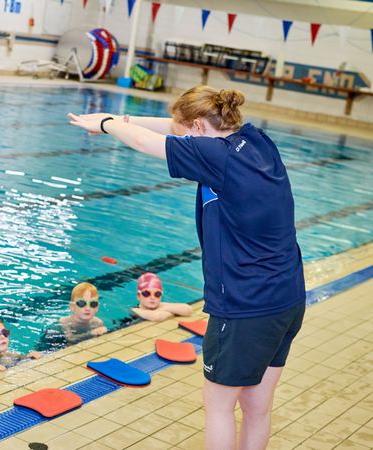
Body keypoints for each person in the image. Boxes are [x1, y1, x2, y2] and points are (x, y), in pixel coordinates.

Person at [68, 85, 306, 450]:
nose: (179, 135)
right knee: (257, 406)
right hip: (287, 298)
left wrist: (106, 124)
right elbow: (173, 127)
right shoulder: (255, 140)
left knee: (218, 407)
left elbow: (148, 143)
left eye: (185, 131)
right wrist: (123, 120)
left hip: (245, 306)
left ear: (198, 128)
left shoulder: (217, 157)